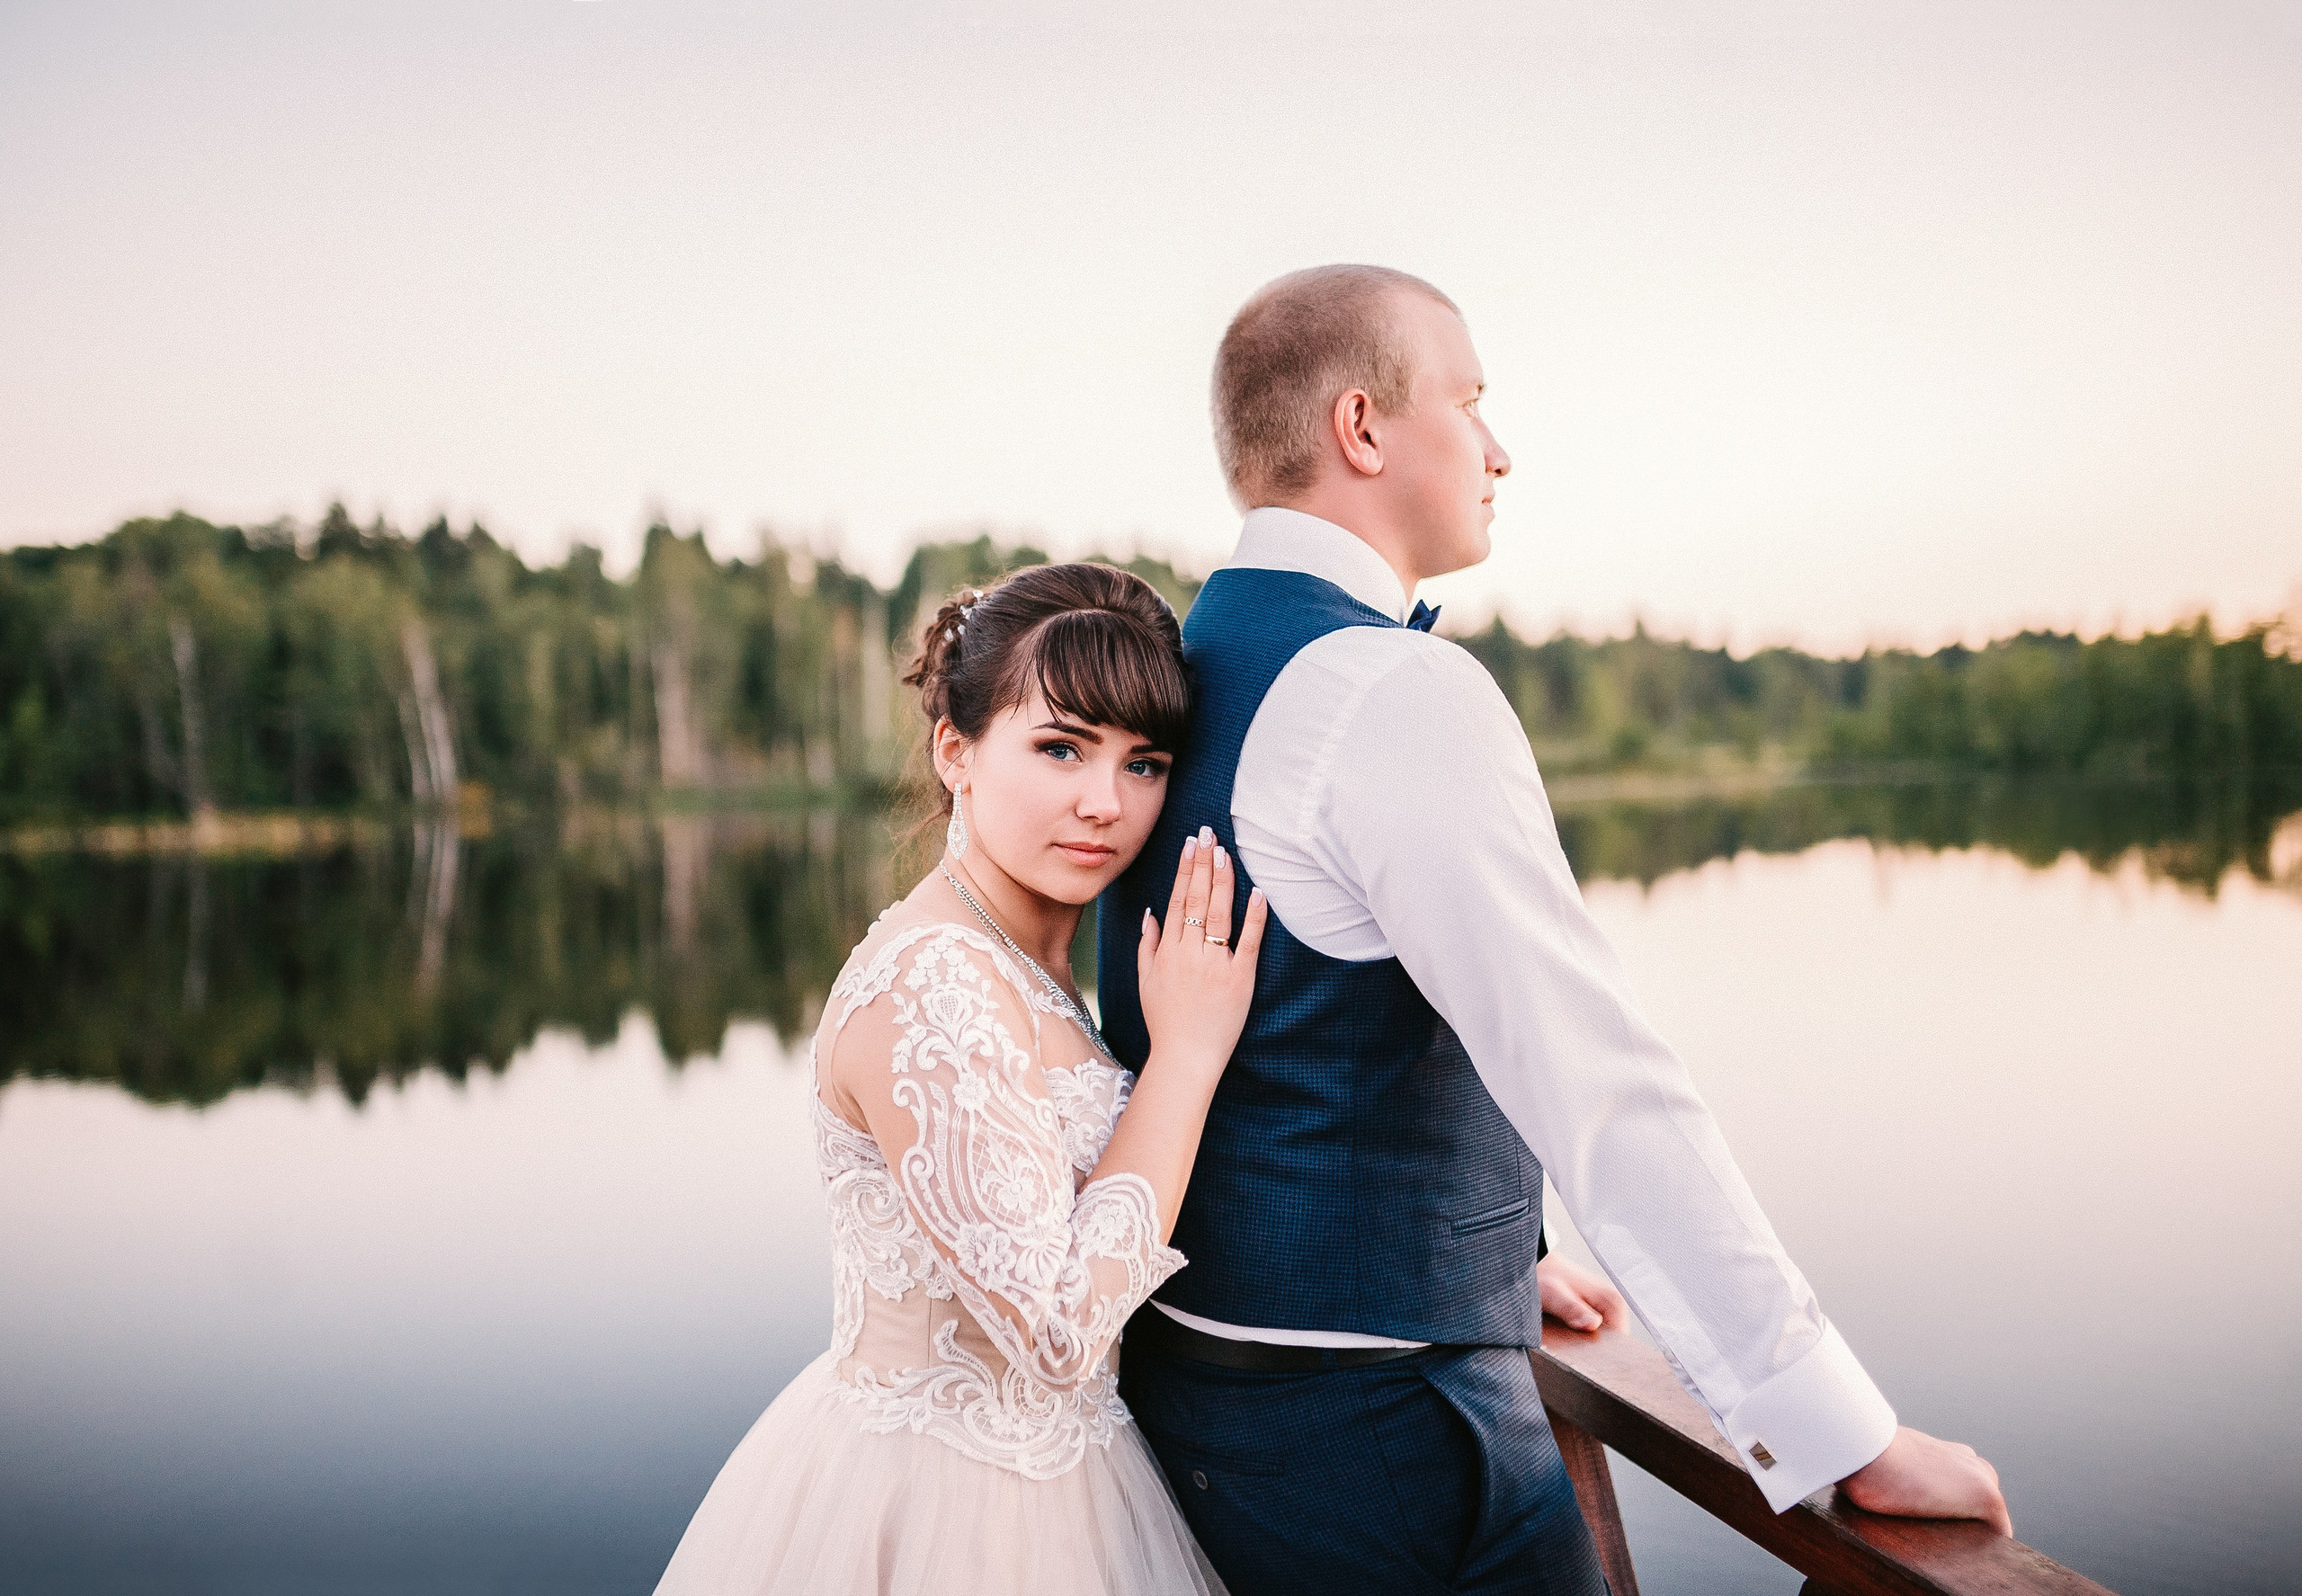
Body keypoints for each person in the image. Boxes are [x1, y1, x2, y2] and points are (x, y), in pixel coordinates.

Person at [1098, 265, 2012, 1596]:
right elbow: (1595, 1074)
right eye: (1469, 402)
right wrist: (1832, 1427)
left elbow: (1298, 1025)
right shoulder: (1387, 689)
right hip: (1393, 1449)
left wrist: (1487, 1251)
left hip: (1213, 1411)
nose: (1499, 448)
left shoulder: (1188, 668)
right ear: (1363, 428)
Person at [652, 563, 1266, 1595]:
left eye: (1144, 761)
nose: (1105, 802)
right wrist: (1188, 1056)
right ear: (957, 751)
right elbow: (1060, 1332)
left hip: (1076, 1488)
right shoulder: (931, 983)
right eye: (1061, 747)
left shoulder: (1029, 963)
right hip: (945, 1514)